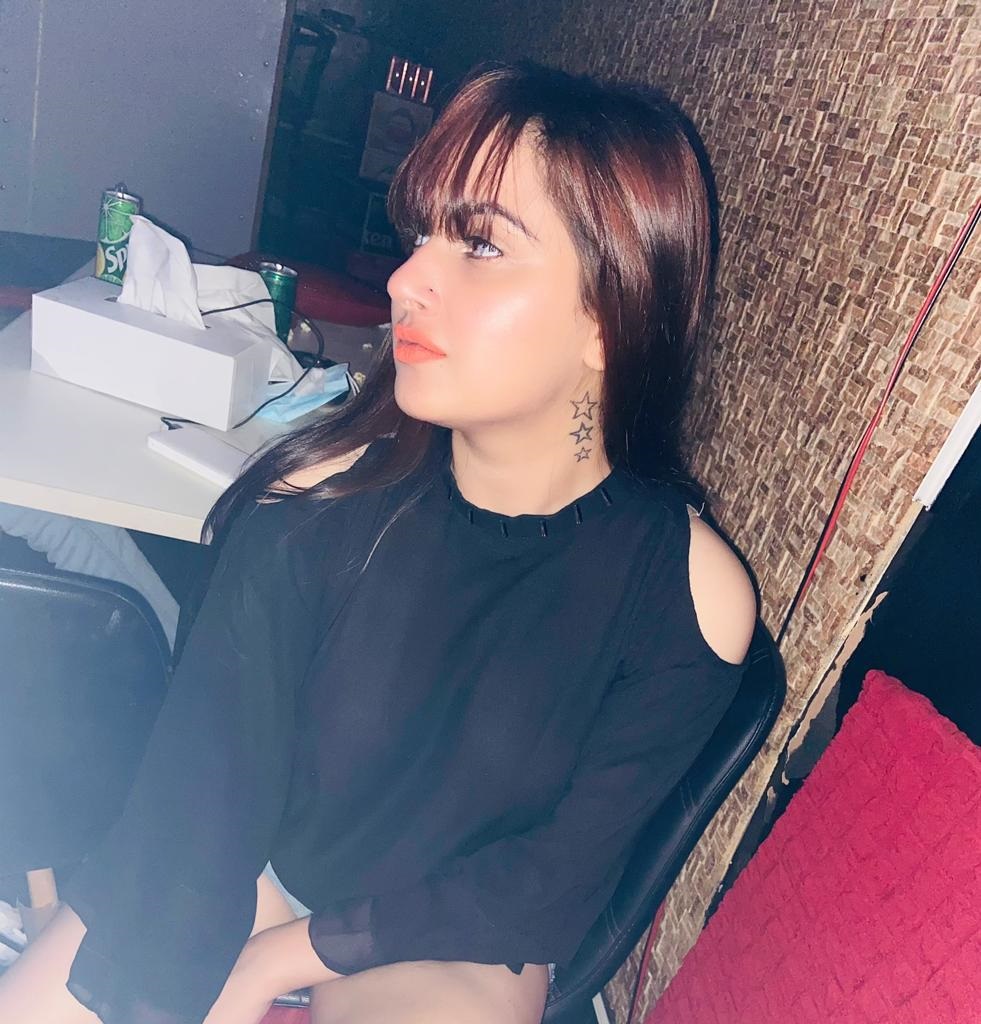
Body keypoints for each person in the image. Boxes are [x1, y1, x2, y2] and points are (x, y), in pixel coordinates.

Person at [0, 61, 758, 1024]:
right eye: (423, 236)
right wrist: (159, 980)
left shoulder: (685, 595)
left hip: (452, 937)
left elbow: (549, 885)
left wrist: (278, 962)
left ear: (608, 318)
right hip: (252, 859)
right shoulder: (327, 495)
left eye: (479, 244)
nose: (405, 280)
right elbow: (203, 785)